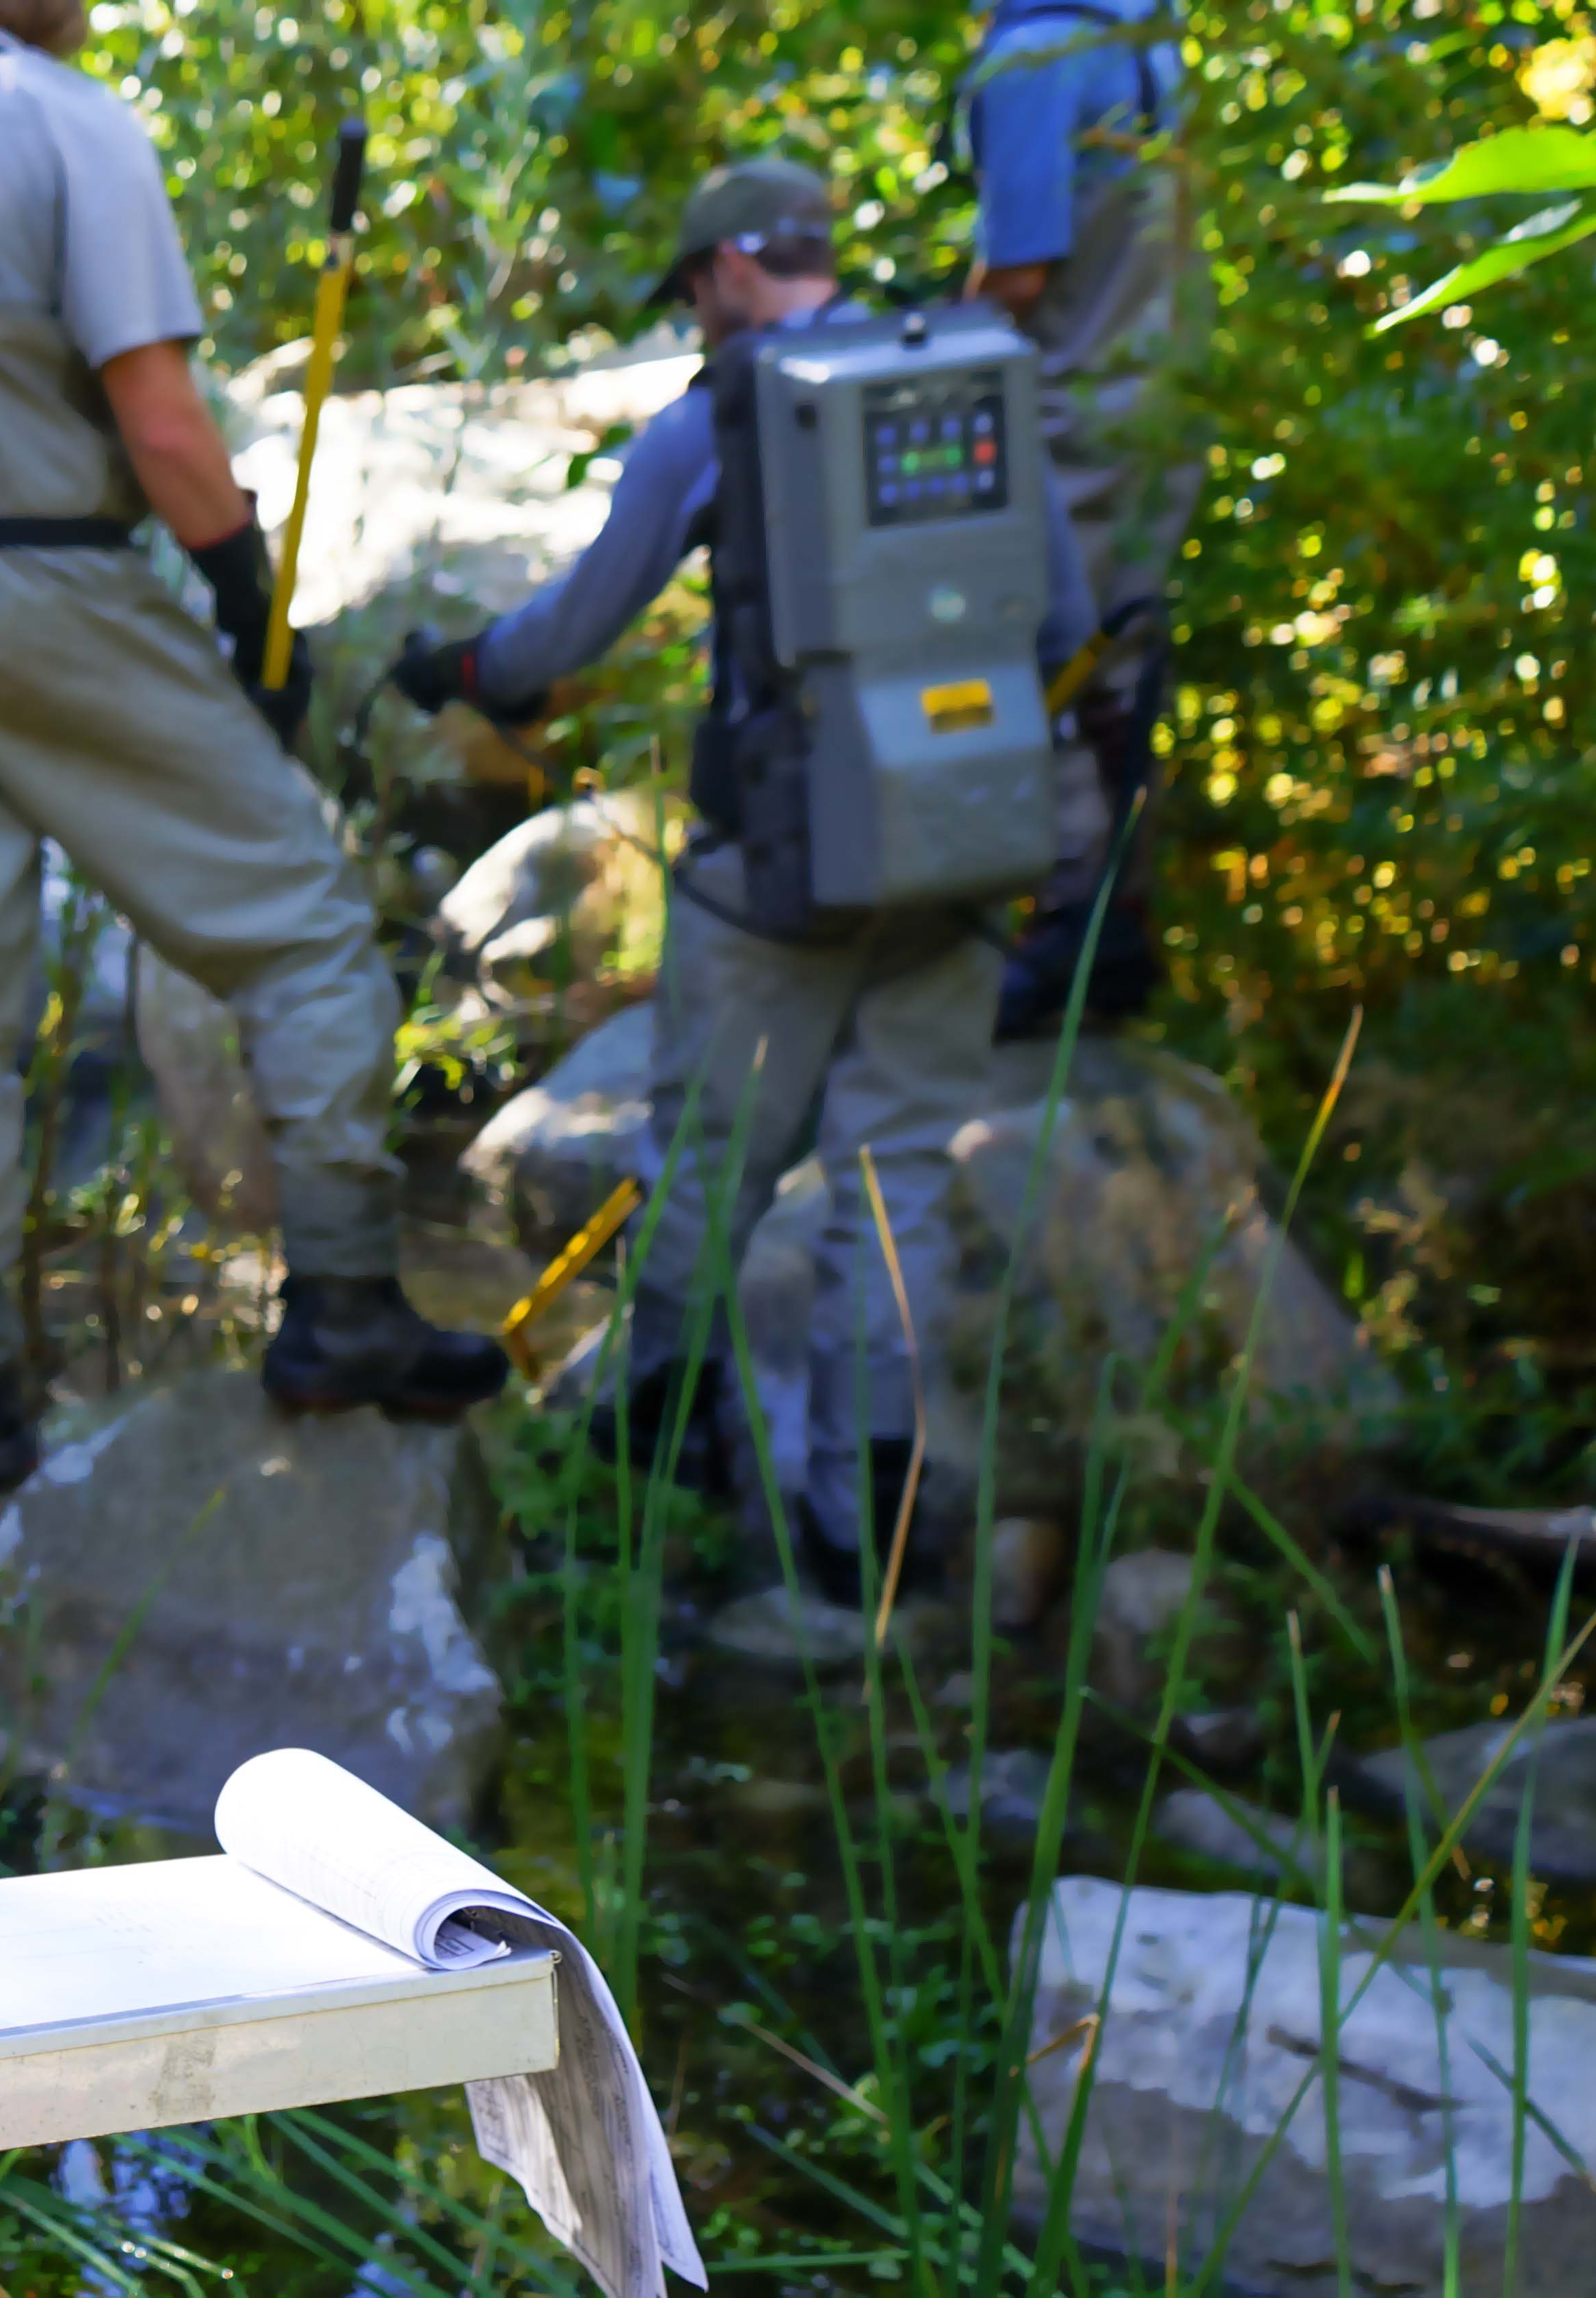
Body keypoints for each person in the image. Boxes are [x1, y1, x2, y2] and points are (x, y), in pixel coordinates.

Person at [0, 0, 505, 1493]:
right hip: (50, 585)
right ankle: (345, 1302)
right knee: (306, 930)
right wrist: (244, 595)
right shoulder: (60, 116)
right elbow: (157, 421)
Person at [387, 160, 1094, 1597]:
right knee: (893, 1200)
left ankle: (665, 1473)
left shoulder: (717, 421)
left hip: (772, 881)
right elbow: (1070, 616)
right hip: (960, 859)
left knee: (706, 1170)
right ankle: (859, 1549)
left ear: (721, 272)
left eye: (695, 292)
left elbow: (566, 635)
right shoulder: (972, 383)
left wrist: (460, 669)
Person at [961, 0, 1199, 1037]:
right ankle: (1122, 919)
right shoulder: (1148, 39)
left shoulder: (1030, 57)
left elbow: (1019, 271)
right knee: (1124, 658)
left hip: (1063, 409)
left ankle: (1069, 926)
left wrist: (929, 342)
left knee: (1036, 658)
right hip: (1163, 401)